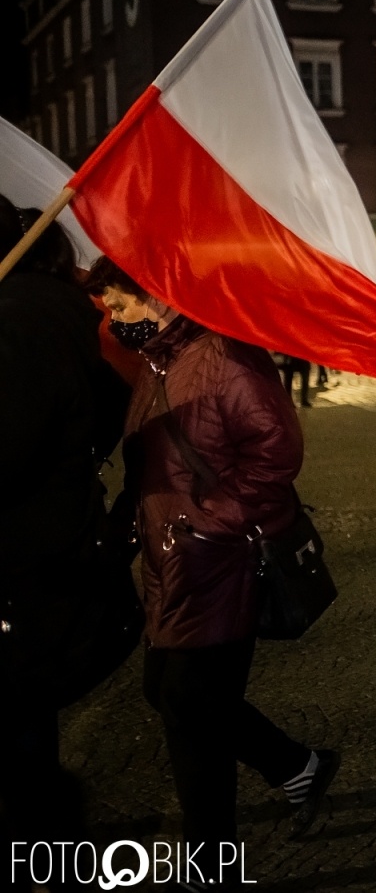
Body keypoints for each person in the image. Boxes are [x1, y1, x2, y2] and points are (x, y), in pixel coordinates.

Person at [87, 258, 341, 853]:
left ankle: (211, 867)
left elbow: (276, 453)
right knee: (171, 693)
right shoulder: (161, 358)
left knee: (190, 712)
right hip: (175, 560)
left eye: (120, 306)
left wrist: (204, 523)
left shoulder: (223, 354)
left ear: (153, 293)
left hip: (218, 561)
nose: (115, 319)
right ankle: (298, 767)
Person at [0, 201, 140, 872]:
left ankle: (50, 858)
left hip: (28, 561)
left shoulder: (17, 315)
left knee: (23, 736)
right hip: (53, 550)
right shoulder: (57, 306)